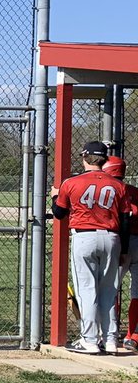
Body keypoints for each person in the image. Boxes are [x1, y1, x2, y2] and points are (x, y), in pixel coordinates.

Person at [51, 141, 131, 354]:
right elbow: (125, 221)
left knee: (87, 290)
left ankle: (90, 340)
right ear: (104, 159)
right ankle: (111, 339)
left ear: (85, 157)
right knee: (109, 290)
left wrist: (53, 196)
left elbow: (59, 214)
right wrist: (123, 250)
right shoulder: (118, 185)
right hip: (112, 238)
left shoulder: (72, 182)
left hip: (84, 236)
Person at [103, 156, 138, 351]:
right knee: (137, 294)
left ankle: (109, 335)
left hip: (119, 243)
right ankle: (133, 337)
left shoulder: (111, 190)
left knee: (109, 290)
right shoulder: (134, 191)